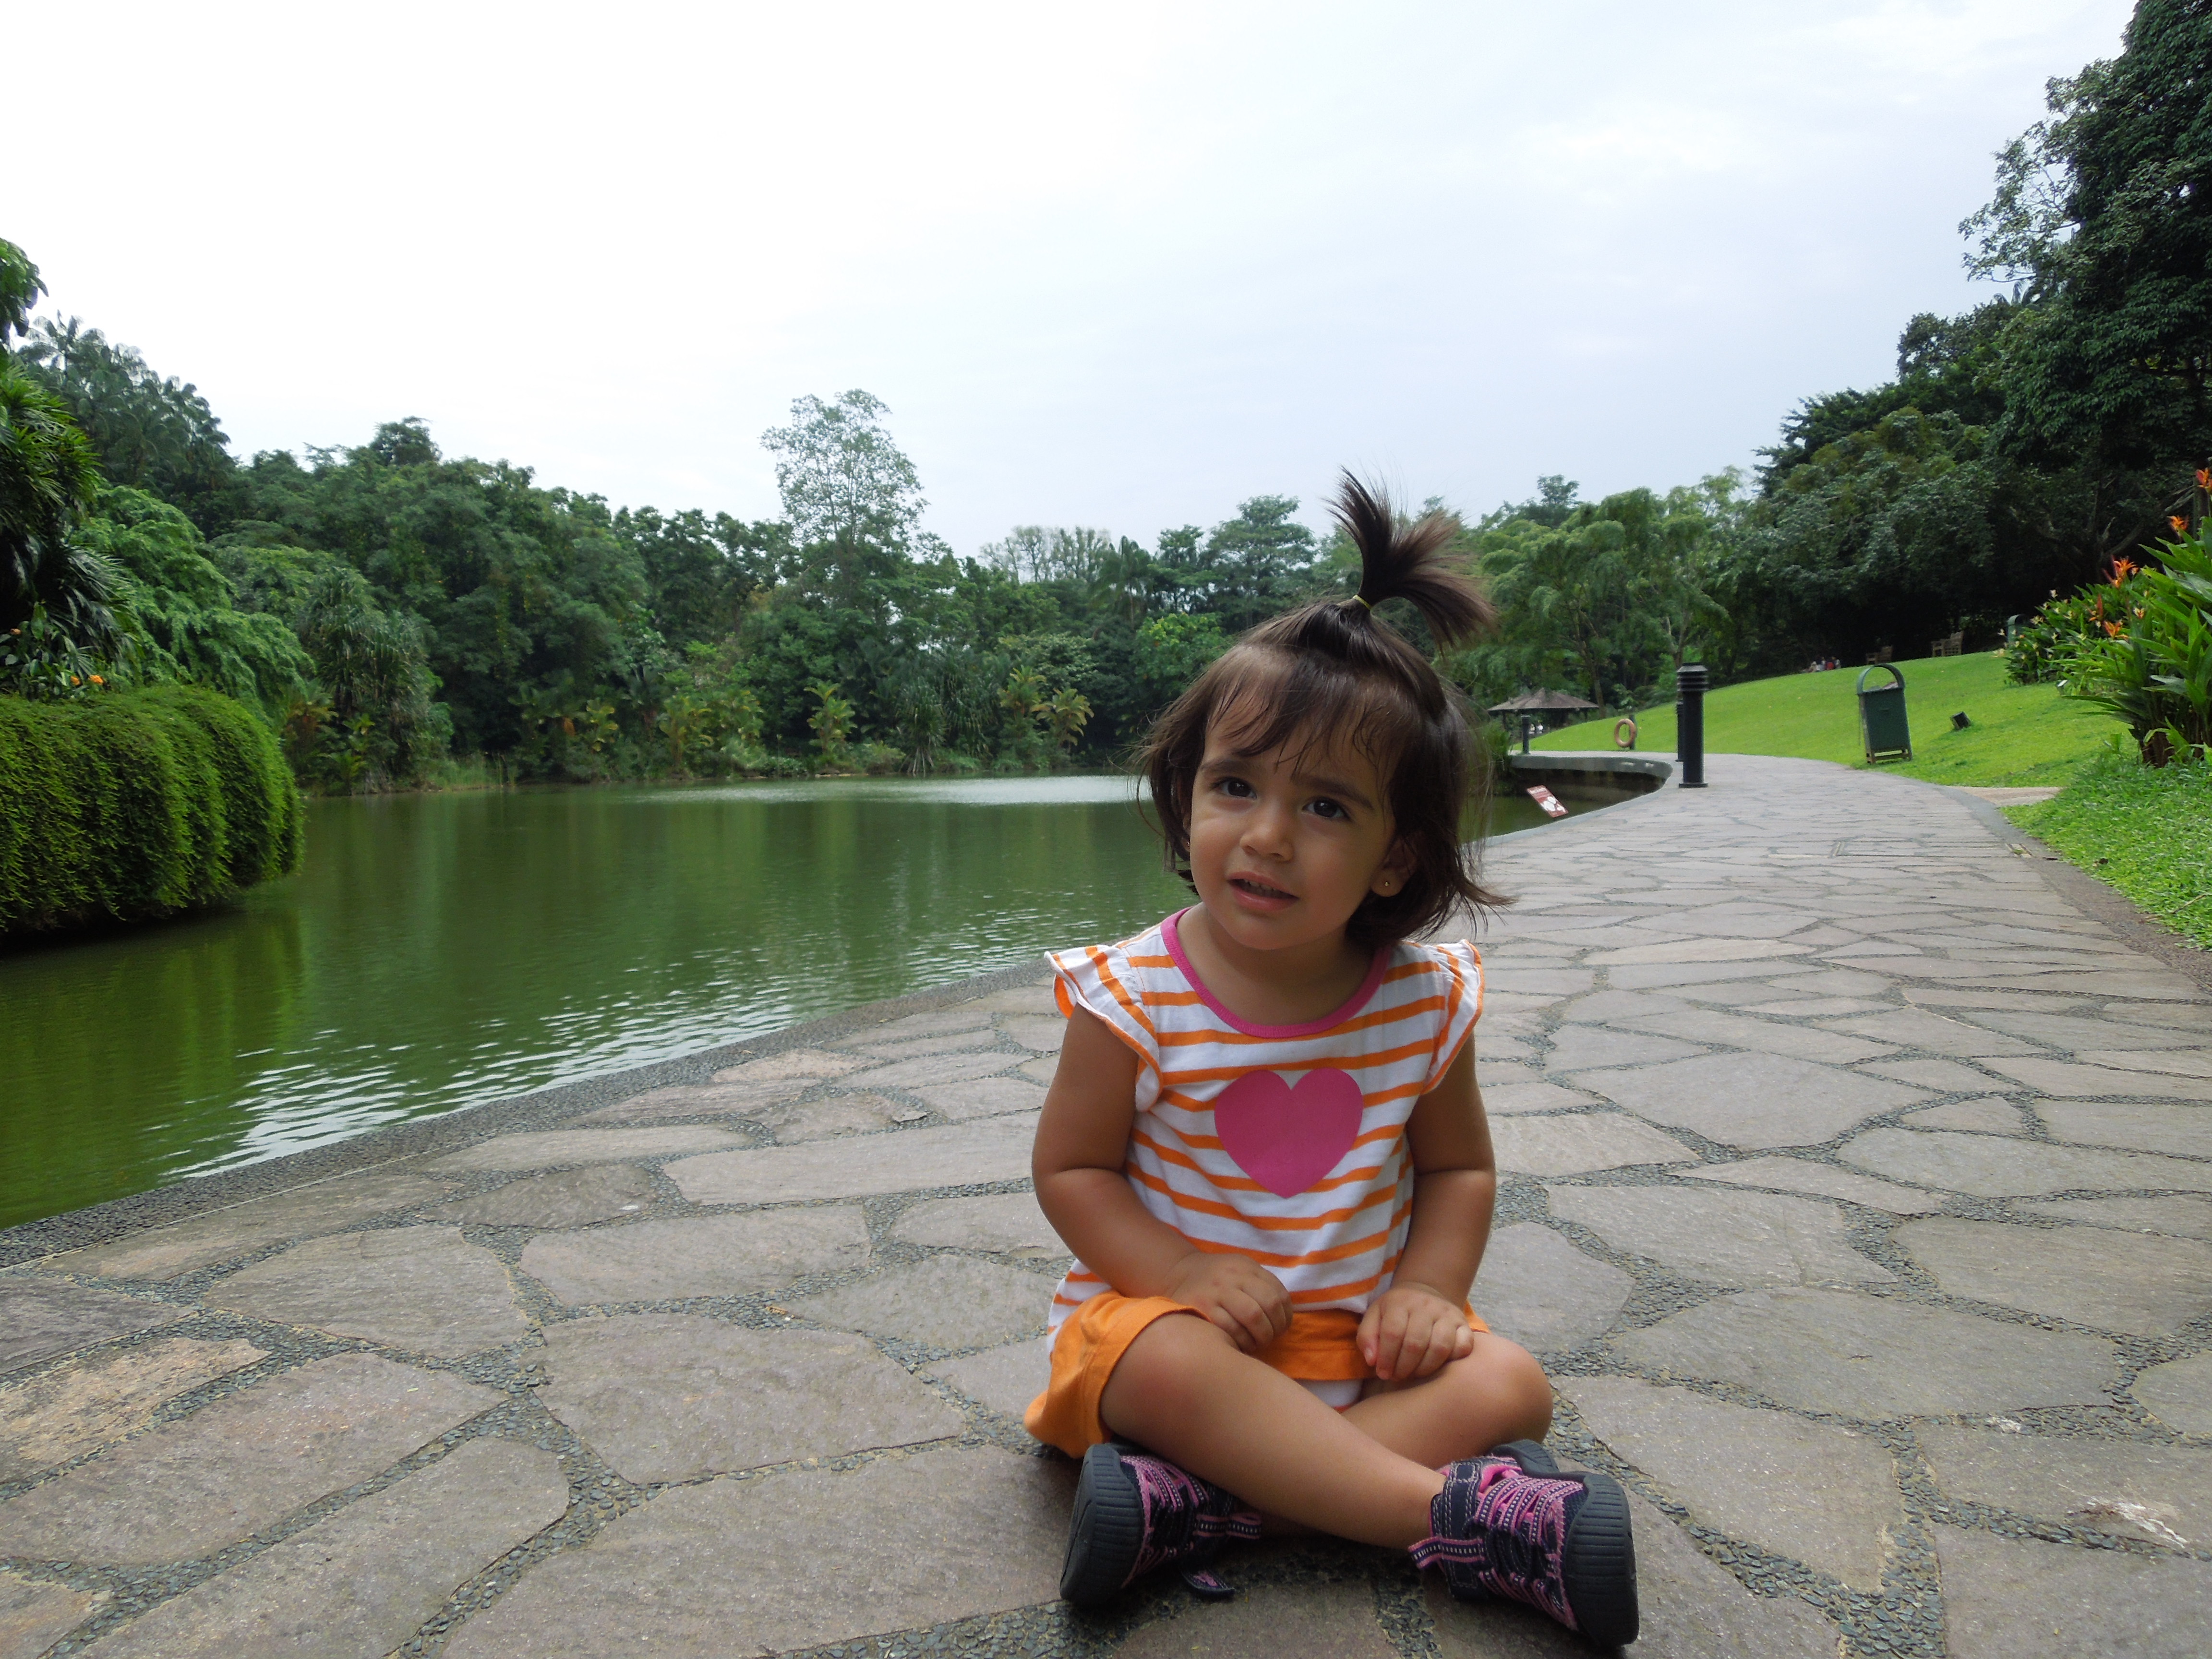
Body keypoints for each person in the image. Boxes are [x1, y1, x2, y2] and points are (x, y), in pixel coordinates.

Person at [1026, 474, 1638, 1646]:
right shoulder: (1132, 996)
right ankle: (1461, 1522)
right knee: (1160, 1364)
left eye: (1326, 808)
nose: (1265, 835)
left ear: (1397, 856)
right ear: (1186, 796)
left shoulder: (1422, 1002)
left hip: (1355, 1345)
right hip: (1176, 1339)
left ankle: (1205, 1512)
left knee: (1514, 1385)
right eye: (1235, 787)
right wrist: (1179, 1271)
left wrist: (1429, 1292)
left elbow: (1458, 1171)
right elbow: (1072, 1172)